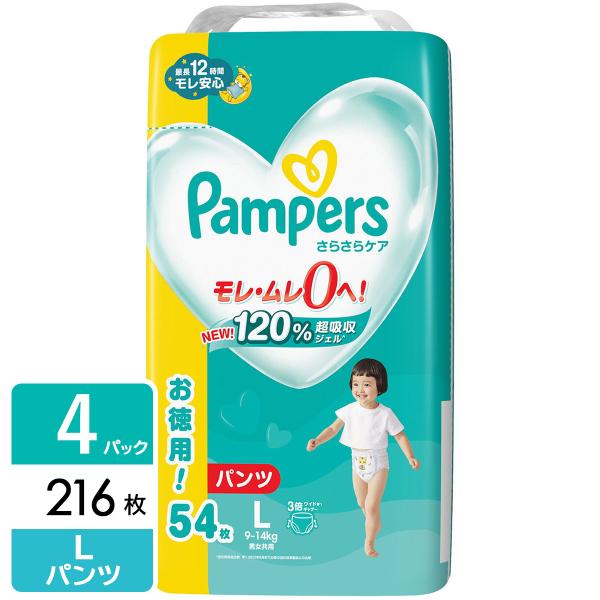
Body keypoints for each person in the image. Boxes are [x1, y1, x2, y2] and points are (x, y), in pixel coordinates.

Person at [307, 357, 420, 557]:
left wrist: (410, 456)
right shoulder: (350, 410)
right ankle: (374, 521)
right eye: (356, 384)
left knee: (371, 504)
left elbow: (399, 436)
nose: (360, 389)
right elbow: (333, 428)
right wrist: (318, 439)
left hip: (378, 464)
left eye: (367, 384)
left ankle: (369, 542)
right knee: (361, 503)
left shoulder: (385, 413)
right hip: (356, 462)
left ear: (379, 386)